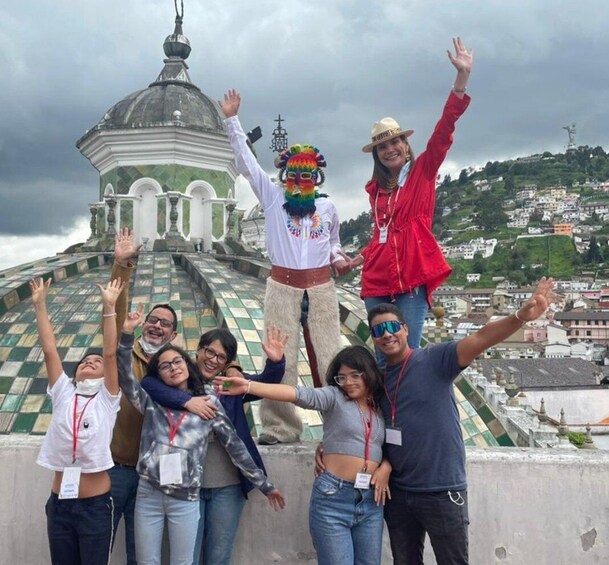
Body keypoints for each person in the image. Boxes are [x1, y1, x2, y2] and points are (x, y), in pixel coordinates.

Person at [369, 277, 558, 564]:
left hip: (442, 490)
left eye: (393, 326)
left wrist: (521, 316)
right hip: (399, 493)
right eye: (379, 330)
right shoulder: (378, 380)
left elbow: (481, 338)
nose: (387, 334)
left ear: (406, 330)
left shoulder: (435, 359)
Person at [221, 88, 346, 444]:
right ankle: (279, 427)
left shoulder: (328, 207)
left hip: (321, 287)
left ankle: (339, 423)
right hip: (281, 286)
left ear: (316, 178)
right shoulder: (273, 197)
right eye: (293, 175)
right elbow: (245, 162)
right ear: (284, 176)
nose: (299, 182)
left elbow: (333, 242)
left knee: (330, 355)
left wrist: (339, 259)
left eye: (305, 176)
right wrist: (232, 119)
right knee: (282, 357)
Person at [336, 37, 473, 359]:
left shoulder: (422, 171)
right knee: (382, 352)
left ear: (405, 144)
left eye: (395, 142)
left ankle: (405, 407)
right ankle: (383, 409)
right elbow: (381, 236)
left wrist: (461, 79)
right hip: (377, 279)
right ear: (377, 154)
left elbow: (444, 130)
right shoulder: (376, 191)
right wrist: (355, 260)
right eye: (383, 147)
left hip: (412, 276)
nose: (390, 149)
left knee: (406, 351)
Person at [118, 307, 285, 565]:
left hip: (219, 485)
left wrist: (275, 363)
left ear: (228, 362)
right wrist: (188, 402)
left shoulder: (222, 390)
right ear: (197, 351)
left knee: (215, 556)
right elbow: (140, 383)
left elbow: (239, 438)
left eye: (222, 357)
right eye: (209, 352)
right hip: (168, 488)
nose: (214, 360)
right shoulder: (160, 391)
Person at [216, 346, 391, 565]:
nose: (348, 382)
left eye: (355, 375)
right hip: (333, 496)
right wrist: (250, 386)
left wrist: (386, 467)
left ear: (369, 373)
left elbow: (392, 446)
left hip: (371, 500)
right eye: (342, 377)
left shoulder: (381, 407)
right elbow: (297, 394)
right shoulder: (334, 397)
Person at [107, 228, 209, 564]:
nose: (156, 326)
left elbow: (218, 371)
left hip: (158, 477)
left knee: (142, 555)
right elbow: (115, 316)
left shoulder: (180, 369)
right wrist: (122, 266)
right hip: (119, 468)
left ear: (174, 335)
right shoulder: (125, 354)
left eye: (165, 324)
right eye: (152, 320)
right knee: (102, 544)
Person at [31, 276, 123, 565]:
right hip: (59, 505)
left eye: (94, 363)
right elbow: (49, 351)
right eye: (84, 361)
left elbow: (110, 353)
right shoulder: (63, 394)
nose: (88, 362)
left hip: (95, 507)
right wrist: (40, 306)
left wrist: (109, 307)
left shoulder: (107, 399)